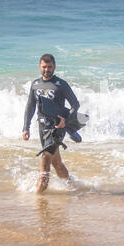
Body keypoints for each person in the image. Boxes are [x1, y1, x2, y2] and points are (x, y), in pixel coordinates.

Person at [22, 53, 80, 193]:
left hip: (57, 128)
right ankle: (73, 186)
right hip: (42, 128)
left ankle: (39, 197)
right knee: (57, 163)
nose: (46, 70)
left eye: (49, 67)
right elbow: (30, 106)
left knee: (45, 158)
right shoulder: (35, 84)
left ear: (54, 67)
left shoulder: (61, 84)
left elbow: (75, 104)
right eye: (44, 67)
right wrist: (26, 127)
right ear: (39, 67)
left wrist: (65, 121)